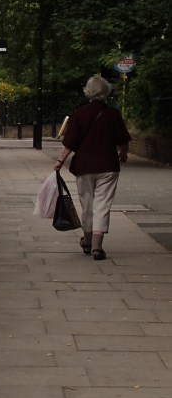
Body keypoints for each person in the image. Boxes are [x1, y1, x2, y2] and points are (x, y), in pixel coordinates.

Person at [53, 75, 131, 260]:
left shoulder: (79, 113)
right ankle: (97, 246)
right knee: (102, 205)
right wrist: (123, 153)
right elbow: (123, 140)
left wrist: (60, 160)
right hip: (108, 165)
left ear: (88, 92)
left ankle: (87, 241)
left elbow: (70, 143)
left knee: (87, 204)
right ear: (106, 92)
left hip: (85, 166)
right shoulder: (113, 114)